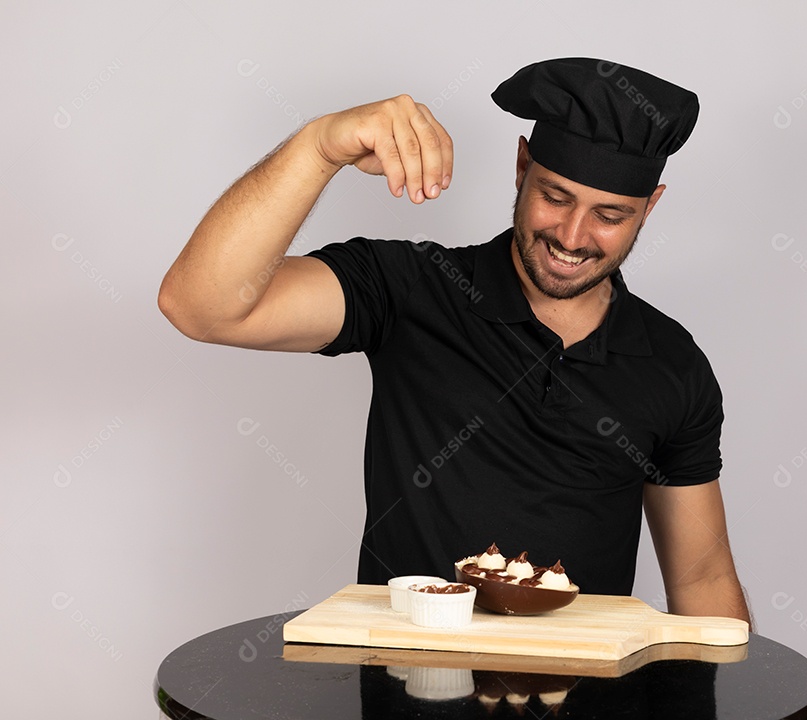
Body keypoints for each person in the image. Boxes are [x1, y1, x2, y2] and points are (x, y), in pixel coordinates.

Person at [159, 57, 751, 625]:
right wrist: (319, 148)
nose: (573, 236)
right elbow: (201, 307)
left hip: (588, 698)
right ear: (521, 167)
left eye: (610, 215)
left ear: (650, 207)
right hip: (408, 689)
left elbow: (700, 576)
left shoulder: (673, 364)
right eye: (555, 196)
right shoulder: (411, 289)